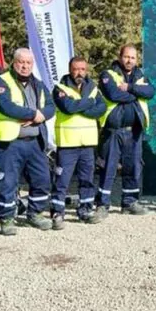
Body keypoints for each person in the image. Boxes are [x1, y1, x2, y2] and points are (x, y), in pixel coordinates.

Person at [0, 48, 56, 234]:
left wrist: (41, 116)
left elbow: (51, 106)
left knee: (42, 178)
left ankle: (35, 213)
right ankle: (6, 218)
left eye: (28, 63)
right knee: (7, 181)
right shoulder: (1, 81)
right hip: (11, 142)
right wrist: (34, 114)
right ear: (14, 62)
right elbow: (6, 106)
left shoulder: (38, 84)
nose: (25, 66)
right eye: (21, 62)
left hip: (34, 141)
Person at [98, 44, 155, 216]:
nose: (129, 60)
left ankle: (129, 203)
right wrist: (138, 94)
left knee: (133, 167)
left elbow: (151, 92)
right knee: (108, 167)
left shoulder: (141, 75)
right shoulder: (108, 74)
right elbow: (113, 95)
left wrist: (130, 88)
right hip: (113, 130)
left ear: (136, 59)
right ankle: (102, 204)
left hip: (134, 130)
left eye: (133, 57)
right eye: (126, 57)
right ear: (120, 56)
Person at [52, 56, 107, 227]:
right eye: (76, 69)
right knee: (62, 180)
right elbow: (68, 108)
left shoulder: (93, 88)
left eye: (82, 69)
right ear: (70, 69)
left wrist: (82, 106)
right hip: (68, 144)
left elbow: (101, 108)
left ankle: (86, 210)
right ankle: (57, 213)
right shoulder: (60, 88)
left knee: (87, 179)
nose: (79, 73)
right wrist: (89, 103)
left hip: (88, 144)